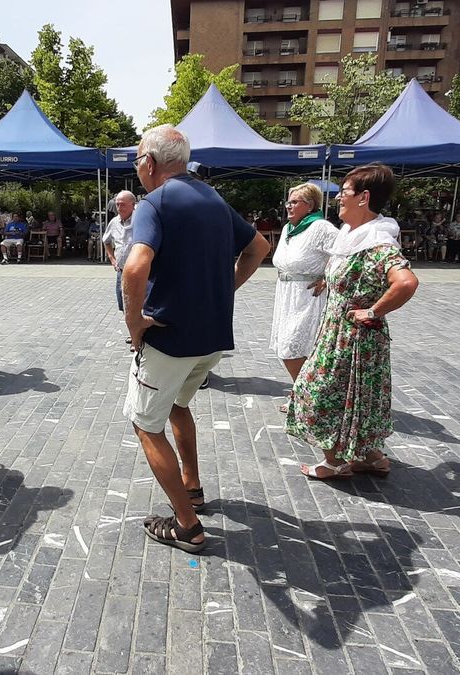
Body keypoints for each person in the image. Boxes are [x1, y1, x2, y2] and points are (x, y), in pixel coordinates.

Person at [122, 125, 270, 552]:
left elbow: (135, 268)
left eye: (137, 160)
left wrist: (134, 324)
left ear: (149, 162)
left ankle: (187, 524)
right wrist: (224, 291)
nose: (137, 168)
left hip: (170, 339)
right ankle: (193, 486)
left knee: (145, 424)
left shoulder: (156, 203)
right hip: (212, 338)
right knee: (178, 406)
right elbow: (258, 247)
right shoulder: (213, 197)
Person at [288, 163, 419, 480]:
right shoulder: (354, 236)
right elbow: (350, 274)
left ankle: (334, 462)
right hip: (349, 336)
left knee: (315, 391)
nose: (338, 199)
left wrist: (373, 311)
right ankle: (372, 458)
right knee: (361, 399)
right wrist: (328, 283)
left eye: (344, 192)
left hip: (350, 338)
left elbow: (406, 282)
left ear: (364, 198)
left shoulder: (379, 241)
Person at [269, 182, 339, 392]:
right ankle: (303, 392)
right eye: (288, 202)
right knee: (288, 345)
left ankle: (306, 394)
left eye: (294, 202)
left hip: (308, 296)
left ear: (310, 206)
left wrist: (327, 278)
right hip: (286, 294)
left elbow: (344, 253)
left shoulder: (321, 227)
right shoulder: (288, 228)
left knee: (293, 347)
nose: (289, 206)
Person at [103, 190, 136, 313]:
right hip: (121, 271)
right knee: (123, 305)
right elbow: (106, 241)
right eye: (117, 204)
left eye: (122, 204)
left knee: (139, 305)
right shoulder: (114, 222)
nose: (119, 208)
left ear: (133, 205)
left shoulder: (140, 220)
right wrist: (112, 259)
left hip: (139, 271)